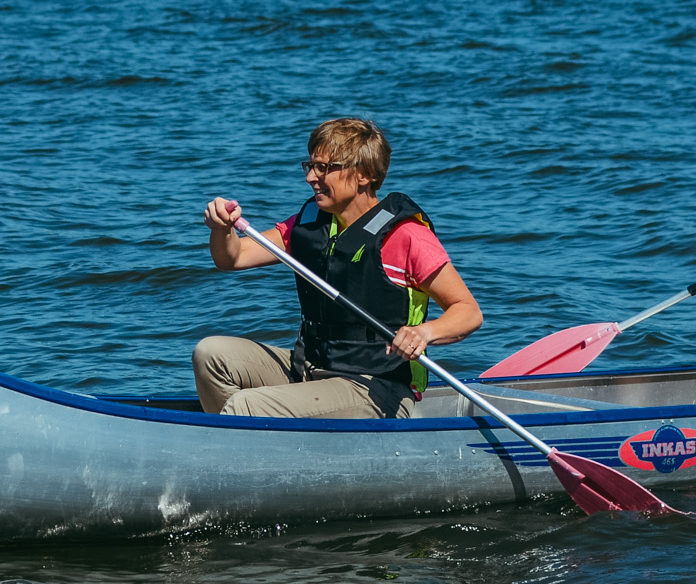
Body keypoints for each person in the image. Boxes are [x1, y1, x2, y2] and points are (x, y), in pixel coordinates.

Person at [194, 116, 483, 419]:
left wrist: (424, 333)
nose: (311, 177)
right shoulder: (309, 226)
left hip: (376, 386)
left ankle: (244, 444)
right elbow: (233, 257)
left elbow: (468, 312)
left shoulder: (406, 236)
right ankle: (259, 446)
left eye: (325, 168)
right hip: (311, 367)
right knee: (210, 355)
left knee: (246, 406)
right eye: (311, 166)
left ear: (365, 175)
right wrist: (221, 228)